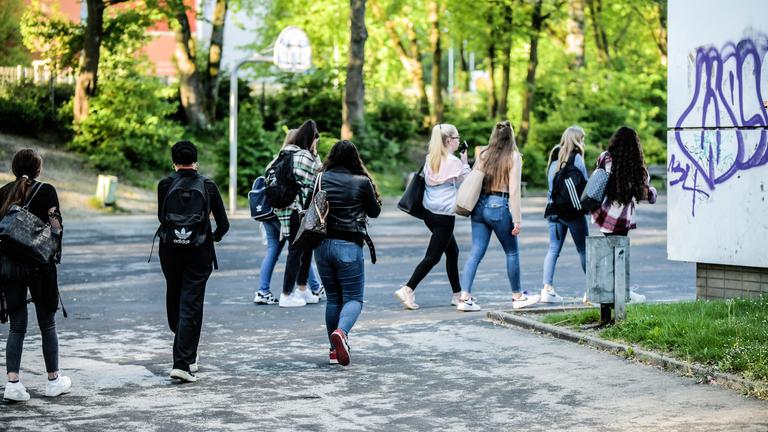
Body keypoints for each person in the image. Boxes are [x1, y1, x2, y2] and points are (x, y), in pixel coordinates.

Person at [1, 149, 70, 401]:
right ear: (38, 169)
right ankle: (53, 381)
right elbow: (56, 228)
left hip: (9, 267)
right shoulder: (47, 190)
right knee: (47, 324)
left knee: (17, 326)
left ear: (15, 168)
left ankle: (13, 384)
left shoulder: (4, 192)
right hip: (39, 265)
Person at [157, 141, 229, 382]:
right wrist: (212, 237)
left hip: (170, 251)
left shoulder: (165, 184)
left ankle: (187, 355)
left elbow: (162, 217)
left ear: (173, 162)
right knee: (192, 303)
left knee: (175, 297)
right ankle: (182, 362)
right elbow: (224, 224)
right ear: (195, 162)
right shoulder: (207, 185)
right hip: (199, 251)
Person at [457, 121, 540, 312]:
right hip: (499, 206)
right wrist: (517, 219)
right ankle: (517, 296)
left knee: (475, 253)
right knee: (511, 252)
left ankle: (464, 298)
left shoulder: (484, 154)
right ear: (511, 136)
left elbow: (474, 179)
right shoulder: (514, 156)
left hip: (479, 207)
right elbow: (514, 190)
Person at [313, 140, 381, 366]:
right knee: (353, 298)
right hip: (349, 246)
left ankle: (334, 352)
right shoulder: (361, 182)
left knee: (333, 298)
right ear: (355, 158)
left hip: (322, 245)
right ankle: (341, 333)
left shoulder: (321, 178)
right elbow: (375, 211)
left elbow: (309, 206)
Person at [395, 124, 469, 310]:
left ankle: (457, 294)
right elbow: (466, 182)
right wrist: (465, 161)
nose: (459, 141)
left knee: (452, 251)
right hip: (444, 216)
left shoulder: (430, 159)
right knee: (433, 256)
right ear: (449, 140)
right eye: (457, 138)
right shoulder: (453, 162)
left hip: (429, 213)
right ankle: (408, 288)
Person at [254, 129, 324, 305]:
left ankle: (263, 290)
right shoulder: (301, 157)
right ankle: (305, 288)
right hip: (288, 211)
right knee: (299, 248)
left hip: (270, 211)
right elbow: (314, 179)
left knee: (275, 251)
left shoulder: (278, 158)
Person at [590, 126, 657, 305]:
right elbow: (645, 193)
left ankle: (608, 291)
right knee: (618, 255)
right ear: (635, 145)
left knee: (611, 254)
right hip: (622, 220)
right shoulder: (637, 166)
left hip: (604, 215)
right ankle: (621, 292)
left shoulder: (605, 157)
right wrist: (653, 193)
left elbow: (598, 178)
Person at [274, 120, 323, 308]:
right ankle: (287, 294)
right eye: (315, 141)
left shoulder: (286, 152)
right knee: (296, 251)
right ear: (310, 139)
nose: (315, 145)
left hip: (286, 207)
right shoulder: (304, 156)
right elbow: (317, 178)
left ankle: (303, 289)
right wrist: (315, 155)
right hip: (295, 208)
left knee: (305, 247)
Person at [541, 126, 590, 303]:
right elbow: (584, 187)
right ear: (576, 140)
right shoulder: (576, 158)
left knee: (553, 249)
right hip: (573, 213)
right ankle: (592, 288)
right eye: (582, 138)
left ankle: (547, 289)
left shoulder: (553, 157)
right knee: (584, 249)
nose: (583, 142)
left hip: (554, 211)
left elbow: (550, 189)